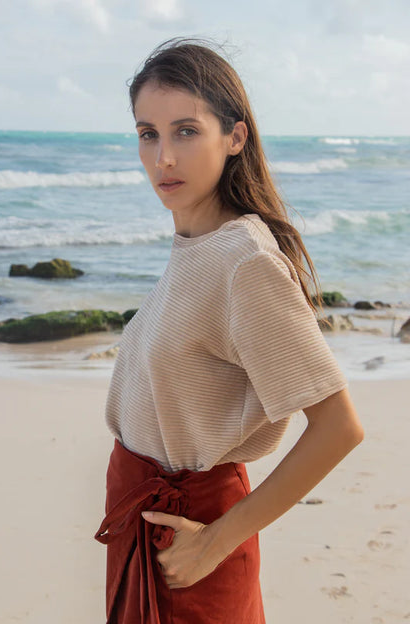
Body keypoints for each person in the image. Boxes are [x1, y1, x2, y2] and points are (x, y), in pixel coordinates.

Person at [94, 36, 364, 624]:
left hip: (191, 545)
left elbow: (338, 428)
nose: (164, 157)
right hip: (144, 531)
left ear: (234, 137)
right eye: (148, 133)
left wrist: (213, 542)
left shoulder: (245, 262)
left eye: (186, 131)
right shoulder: (194, 245)